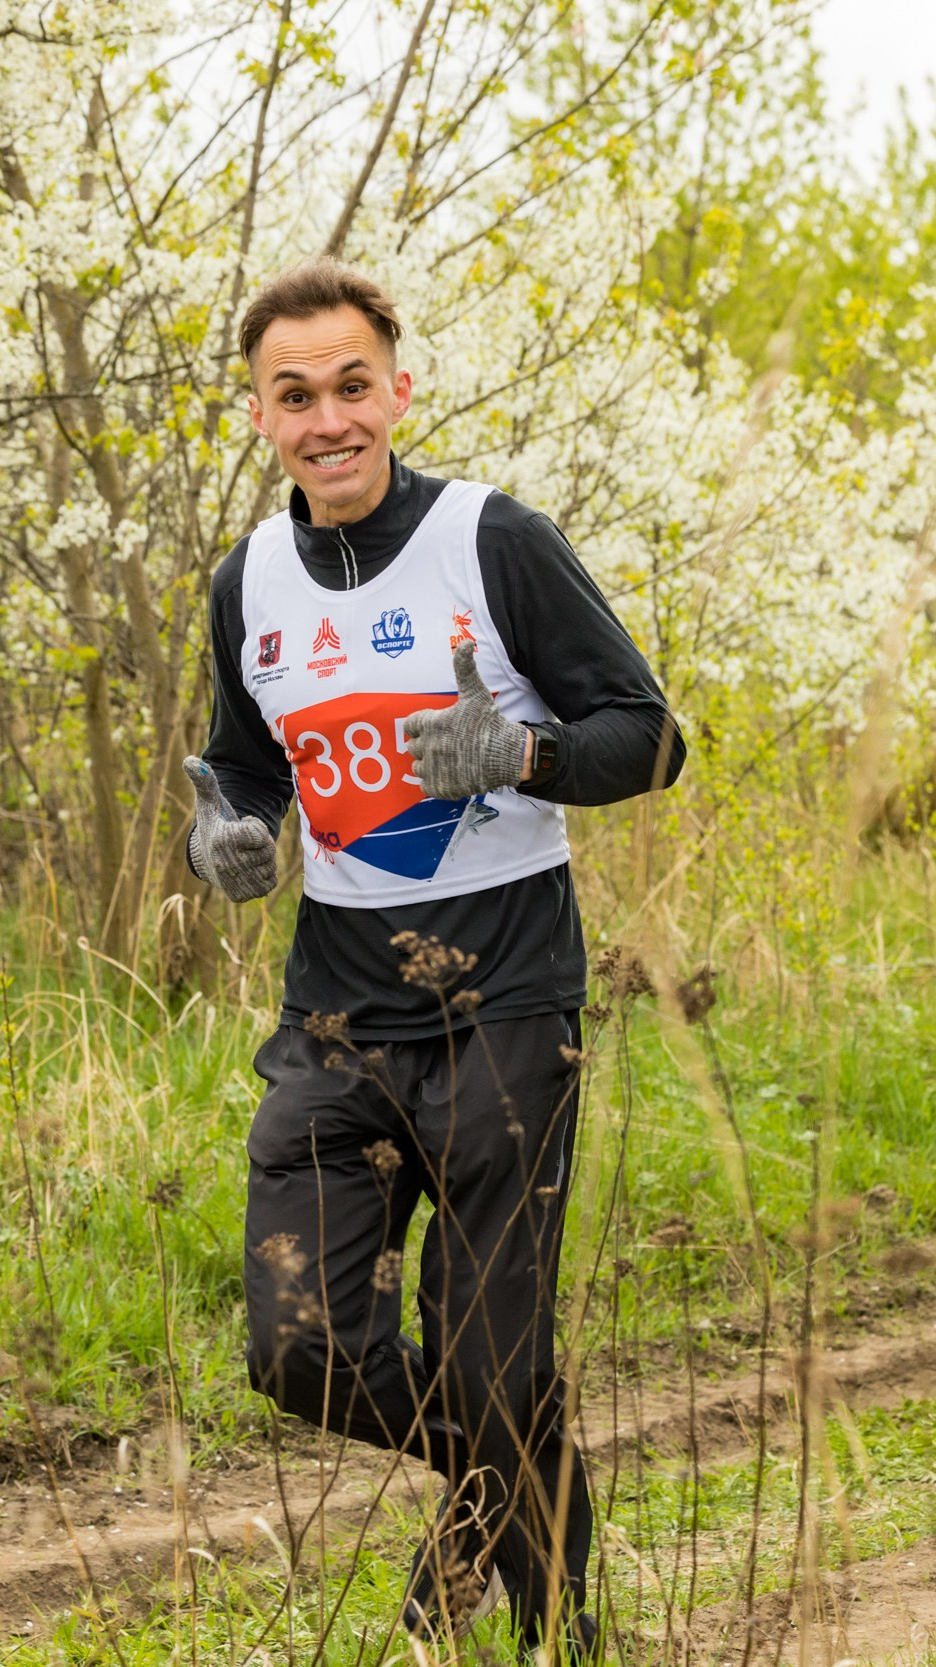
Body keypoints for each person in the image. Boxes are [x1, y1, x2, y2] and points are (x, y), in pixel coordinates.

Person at [185, 257, 685, 1656]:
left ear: (400, 389)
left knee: (491, 1353)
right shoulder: (249, 582)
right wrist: (226, 836)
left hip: (508, 1006)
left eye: (353, 386)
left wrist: (519, 749)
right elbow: (238, 773)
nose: (328, 418)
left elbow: (651, 735)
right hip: (337, 1021)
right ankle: (494, 1474)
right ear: (260, 414)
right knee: (299, 1345)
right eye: (296, 395)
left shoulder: (492, 539)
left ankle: (562, 1627)